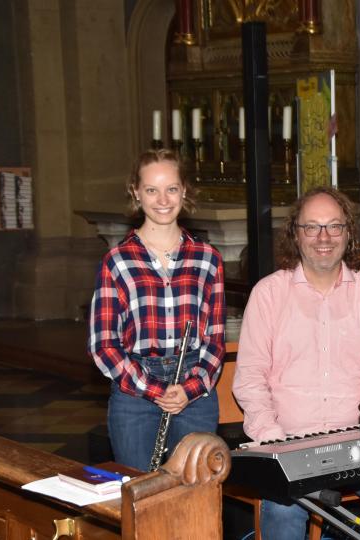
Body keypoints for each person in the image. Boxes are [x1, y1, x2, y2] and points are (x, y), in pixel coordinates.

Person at [233, 187, 360, 540]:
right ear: (295, 234)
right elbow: (250, 379)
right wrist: (274, 443)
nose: (323, 238)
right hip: (287, 442)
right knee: (284, 514)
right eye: (312, 227)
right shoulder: (269, 294)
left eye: (334, 226)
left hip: (357, 443)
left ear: (348, 234)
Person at [89, 149, 225, 471]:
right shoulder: (117, 261)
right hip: (134, 388)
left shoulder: (207, 258)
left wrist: (189, 388)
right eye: (152, 190)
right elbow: (103, 344)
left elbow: (215, 340)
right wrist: (154, 389)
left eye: (172, 189)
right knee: (140, 495)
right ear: (136, 193)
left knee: (195, 498)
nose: (163, 200)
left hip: (194, 387)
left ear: (184, 191)